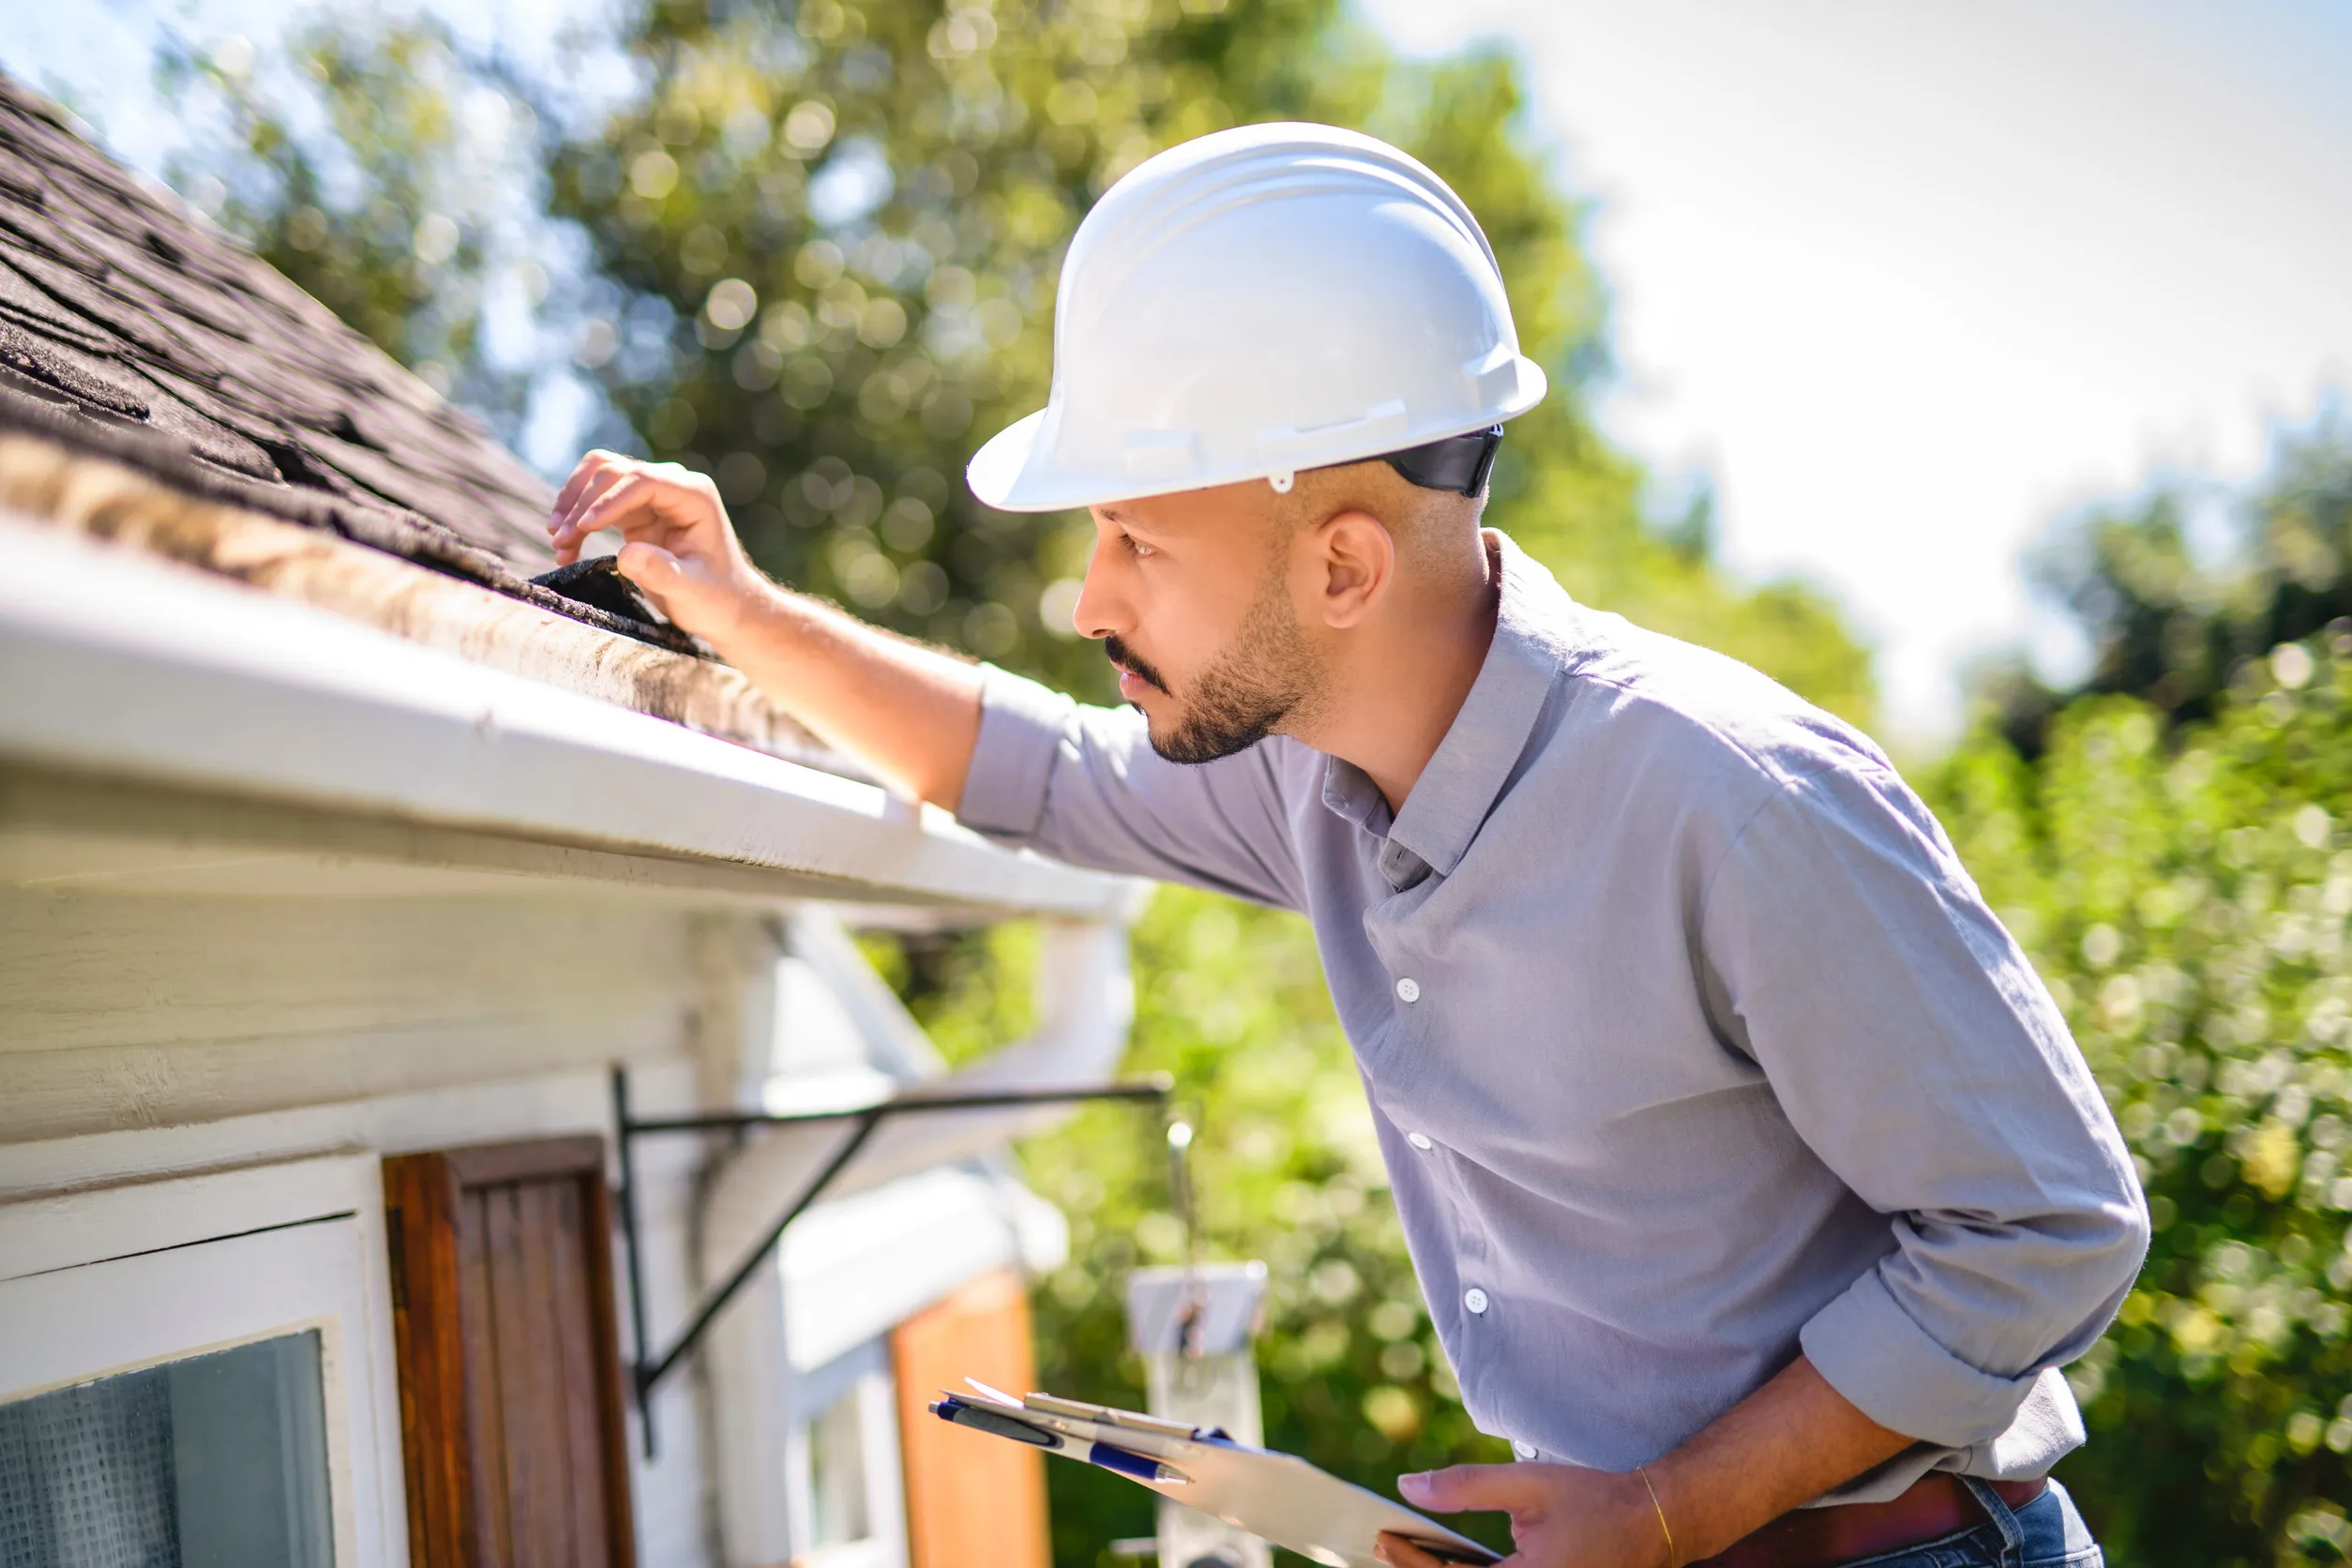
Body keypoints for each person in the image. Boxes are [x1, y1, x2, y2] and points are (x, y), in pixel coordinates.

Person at [550, 124, 2147, 1568]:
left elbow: (2051, 1228)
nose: (1090, 602)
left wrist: (1666, 1514)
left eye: (1135, 541)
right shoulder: (1307, 772)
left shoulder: (1732, 797)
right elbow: (1027, 769)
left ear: (1343, 570)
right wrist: (739, 612)